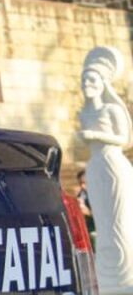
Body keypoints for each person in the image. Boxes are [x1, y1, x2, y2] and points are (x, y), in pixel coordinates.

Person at [78, 46, 133, 291]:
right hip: (95, 166)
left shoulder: (112, 109)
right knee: (104, 223)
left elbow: (124, 139)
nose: (87, 84)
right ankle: (108, 277)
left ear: (102, 83)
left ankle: (126, 275)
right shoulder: (84, 113)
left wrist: (95, 135)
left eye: (92, 80)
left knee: (120, 221)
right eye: (84, 80)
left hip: (113, 164)